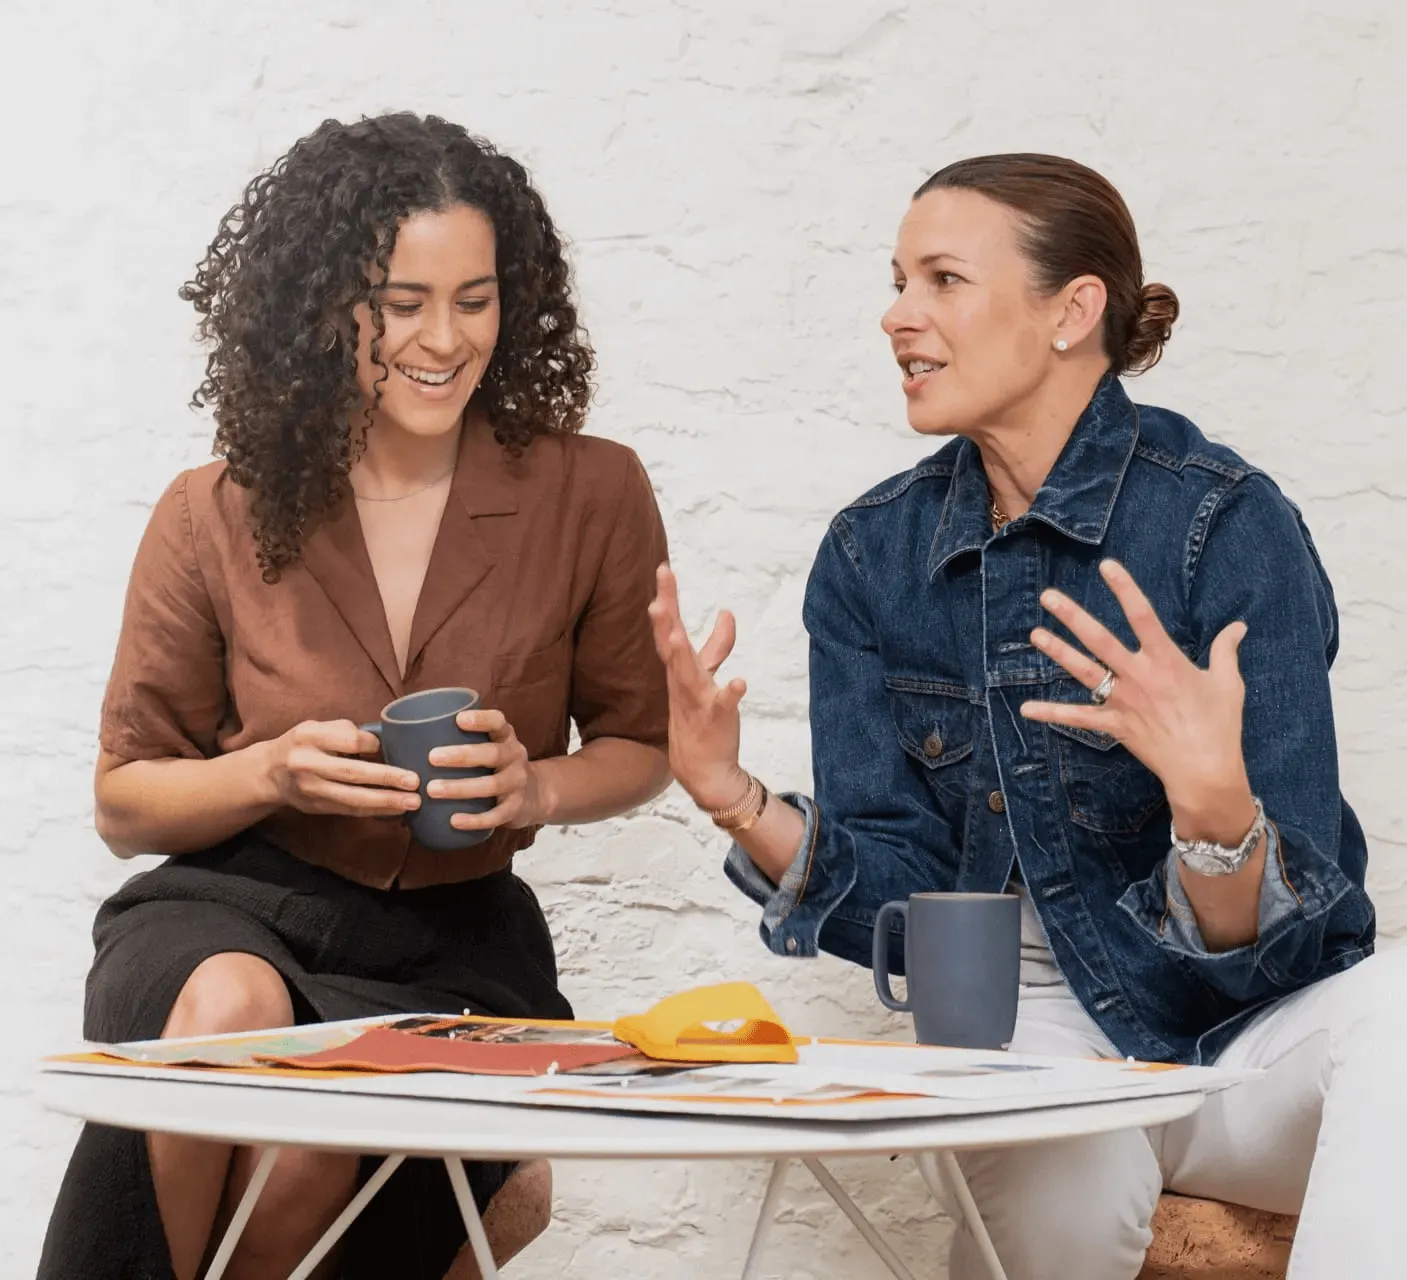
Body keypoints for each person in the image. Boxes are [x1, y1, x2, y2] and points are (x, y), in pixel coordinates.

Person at [650, 153, 1405, 1280]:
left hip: (1247, 1029)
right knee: (1059, 1207)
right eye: (897, 279)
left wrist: (1210, 801)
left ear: (1072, 311)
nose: (896, 315)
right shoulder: (872, 556)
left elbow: (1301, 937)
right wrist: (734, 797)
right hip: (1031, 1035)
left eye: (942, 279)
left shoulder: (1225, 526)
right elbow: (896, 893)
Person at [39, 112, 671, 1280]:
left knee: (314, 1153)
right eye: (402, 301)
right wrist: (269, 770)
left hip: (455, 943)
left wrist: (537, 780)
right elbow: (125, 800)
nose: (443, 338)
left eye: (474, 300)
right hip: (235, 908)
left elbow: (640, 744)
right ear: (333, 303)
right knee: (231, 1009)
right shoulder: (213, 508)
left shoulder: (593, 491)